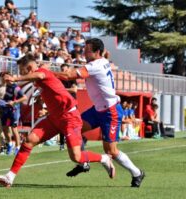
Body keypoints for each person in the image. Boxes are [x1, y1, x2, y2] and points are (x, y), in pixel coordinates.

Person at [0, 53, 115, 188]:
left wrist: (16, 78)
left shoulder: (41, 72)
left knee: (76, 157)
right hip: (54, 117)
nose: (20, 73)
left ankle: (104, 159)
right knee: (29, 140)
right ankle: (9, 177)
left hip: (69, 118)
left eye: (22, 70)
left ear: (30, 67)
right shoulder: (37, 79)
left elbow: (39, 75)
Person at [54, 38, 145, 188]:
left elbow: (69, 76)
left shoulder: (95, 65)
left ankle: (137, 173)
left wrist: (45, 73)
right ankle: (84, 163)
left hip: (111, 112)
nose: (84, 52)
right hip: (98, 109)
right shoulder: (101, 61)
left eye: (87, 50)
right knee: (75, 127)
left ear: (97, 52)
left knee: (111, 151)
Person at [0, 72, 27, 155]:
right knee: (4, 128)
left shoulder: (16, 88)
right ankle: (10, 144)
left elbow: (25, 97)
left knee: (14, 129)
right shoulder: (2, 87)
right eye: (4, 77)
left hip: (14, 110)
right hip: (4, 110)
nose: (5, 78)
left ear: (10, 77)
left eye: (7, 77)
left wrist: (14, 102)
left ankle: (17, 147)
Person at [59, 63, 78, 151]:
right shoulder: (59, 80)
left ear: (68, 70)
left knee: (74, 123)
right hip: (63, 104)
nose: (64, 71)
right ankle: (62, 143)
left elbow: (74, 89)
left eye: (65, 70)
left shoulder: (72, 79)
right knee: (62, 123)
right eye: (62, 70)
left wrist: (62, 90)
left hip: (73, 104)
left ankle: (75, 142)